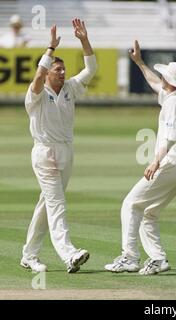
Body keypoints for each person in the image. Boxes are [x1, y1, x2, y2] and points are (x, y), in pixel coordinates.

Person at [105, 40, 176, 275]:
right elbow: (155, 83)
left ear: (171, 82)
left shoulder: (174, 102)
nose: (161, 78)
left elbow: (172, 137)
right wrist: (139, 62)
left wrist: (156, 161)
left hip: (171, 162)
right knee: (149, 212)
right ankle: (158, 259)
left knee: (130, 204)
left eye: (164, 76)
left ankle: (129, 257)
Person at [20, 19, 97, 273]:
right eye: (58, 70)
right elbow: (39, 75)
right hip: (45, 153)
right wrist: (50, 49)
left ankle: (29, 255)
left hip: (66, 150)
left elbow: (91, 70)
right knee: (57, 204)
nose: (63, 73)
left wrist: (83, 40)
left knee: (47, 204)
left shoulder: (70, 88)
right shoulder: (36, 95)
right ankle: (69, 254)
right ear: (47, 72)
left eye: (63, 69)